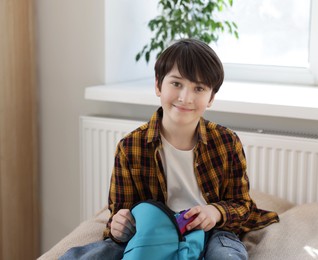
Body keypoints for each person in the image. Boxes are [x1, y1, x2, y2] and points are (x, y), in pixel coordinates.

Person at [60, 38, 279, 260]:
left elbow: (242, 206)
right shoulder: (130, 147)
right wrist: (119, 225)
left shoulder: (226, 142)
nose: (185, 97)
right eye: (176, 84)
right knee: (92, 255)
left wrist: (214, 212)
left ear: (211, 98)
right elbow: (120, 213)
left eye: (199, 88)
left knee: (226, 255)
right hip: (149, 235)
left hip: (211, 232)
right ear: (158, 85)